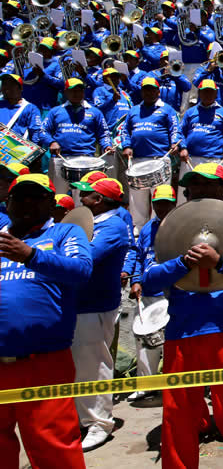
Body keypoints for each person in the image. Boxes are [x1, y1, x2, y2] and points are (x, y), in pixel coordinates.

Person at [141, 163, 223, 469]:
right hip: (182, 335)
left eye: (206, 185)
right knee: (178, 421)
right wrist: (182, 263)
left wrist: (220, 261)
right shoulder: (167, 226)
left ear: (222, 191)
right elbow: (149, 278)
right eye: (192, 186)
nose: (197, 191)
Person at [0, 173, 93, 468]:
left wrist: (30, 256)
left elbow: (81, 271)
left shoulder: (65, 233)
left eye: (37, 197)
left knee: (54, 448)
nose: (28, 203)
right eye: (21, 197)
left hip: (44, 363)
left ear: (50, 203)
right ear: (7, 202)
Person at [68, 177, 129, 450]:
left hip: (95, 304)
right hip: (78, 303)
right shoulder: (96, 222)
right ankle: (85, 419)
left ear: (100, 200)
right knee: (79, 366)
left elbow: (86, 257)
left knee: (94, 365)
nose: (81, 200)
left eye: (87, 195)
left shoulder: (113, 225)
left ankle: (100, 423)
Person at [127, 184, 177, 402]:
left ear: (174, 204)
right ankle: (146, 385)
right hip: (149, 293)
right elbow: (139, 256)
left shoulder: (182, 225)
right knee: (145, 340)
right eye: (158, 204)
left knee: (174, 343)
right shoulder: (147, 228)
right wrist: (136, 281)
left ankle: (174, 383)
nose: (162, 208)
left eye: (166, 204)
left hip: (173, 294)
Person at [119, 77, 183, 229]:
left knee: (159, 197)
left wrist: (175, 143)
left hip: (160, 159)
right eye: (145, 89)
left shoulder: (167, 109)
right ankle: (139, 229)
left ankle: (159, 229)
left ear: (158, 91)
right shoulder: (133, 110)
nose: (148, 93)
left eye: (151, 89)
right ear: (141, 92)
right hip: (137, 160)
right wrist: (126, 146)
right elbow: (125, 131)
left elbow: (175, 129)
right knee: (137, 199)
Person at [44, 78, 112, 195]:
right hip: (60, 159)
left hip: (86, 161)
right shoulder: (55, 111)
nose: (76, 93)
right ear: (65, 92)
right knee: (58, 198)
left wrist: (107, 145)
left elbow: (104, 133)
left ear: (84, 92)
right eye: (72, 91)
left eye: (79, 90)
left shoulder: (95, 112)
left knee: (82, 199)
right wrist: (51, 142)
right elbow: (43, 131)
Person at [179, 79, 223, 204]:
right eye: (204, 92)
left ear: (216, 93)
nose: (207, 95)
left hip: (214, 160)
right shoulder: (190, 112)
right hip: (191, 159)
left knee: (214, 196)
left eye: (210, 92)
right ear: (199, 93)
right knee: (188, 195)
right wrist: (182, 148)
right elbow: (180, 133)